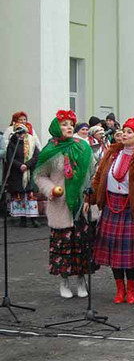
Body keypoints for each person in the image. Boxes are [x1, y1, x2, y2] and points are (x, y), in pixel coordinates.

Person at [90, 118, 134, 304]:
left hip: (131, 207)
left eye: (130, 132)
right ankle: (119, 289)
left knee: (128, 253)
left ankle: (131, 289)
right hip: (111, 206)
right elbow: (99, 176)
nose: (125, 135)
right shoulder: (113, 153)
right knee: (114, 251)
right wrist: (91, 197)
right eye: (124, 131)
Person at [33, 109, 93, 298]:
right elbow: (39, 175)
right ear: (56, 128)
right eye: (64, 124)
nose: (68, 127)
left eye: (70, 124)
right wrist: (51, 189)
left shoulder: (83, 147)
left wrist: (90, 198)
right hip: (60, 205)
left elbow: (93, 173)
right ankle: (64, 281)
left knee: (82, 245)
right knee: (63, 246)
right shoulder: (50, 151)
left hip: (80, 205)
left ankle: (82, 281)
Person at [6, 121, 41, 227]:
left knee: (30, 196)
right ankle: (23, 219)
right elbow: (10, 158)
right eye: (18, 132)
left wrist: (27, 165)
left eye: (22, 132)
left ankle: (33, 219)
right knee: (20, 196)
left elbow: (36, 156)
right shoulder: (12, 144)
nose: (20, 135)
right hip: (17, 173)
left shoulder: (32, 142)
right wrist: (20, 166)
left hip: (29, 172)